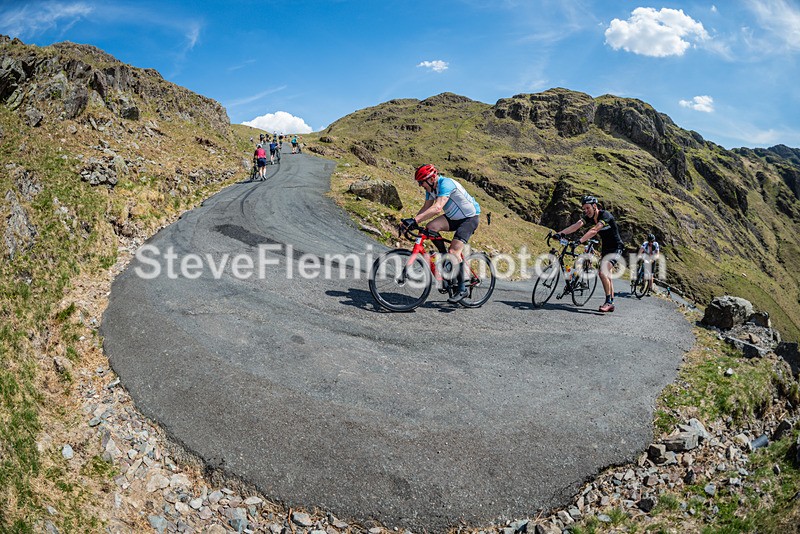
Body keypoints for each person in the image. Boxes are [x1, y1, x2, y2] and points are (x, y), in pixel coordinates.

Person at [399, 164, 481, 304]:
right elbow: (426, 207)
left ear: (430, 179)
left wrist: (414, 220)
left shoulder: (446, 184)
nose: (420, 185)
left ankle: (462, 289)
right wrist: (411, 223)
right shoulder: (431, 189)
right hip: (453, 218)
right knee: (431, 227)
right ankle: (445, 261)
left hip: (469, 219)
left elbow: (437, 208)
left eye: (421, 182)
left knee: (454, 251)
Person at [554, 195, 624, 312]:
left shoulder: (605, 216)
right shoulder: (589, 217)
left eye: (587, 208)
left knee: (602, 273)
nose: (586, 211)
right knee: (608, 277)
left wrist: (579, 241)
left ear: (594, 206)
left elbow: (594, 230)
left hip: (616, 248)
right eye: (584, 209)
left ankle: (608, 302)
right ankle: (611, 301)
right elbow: (576, 226)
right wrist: (560, 233)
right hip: (605, 249)